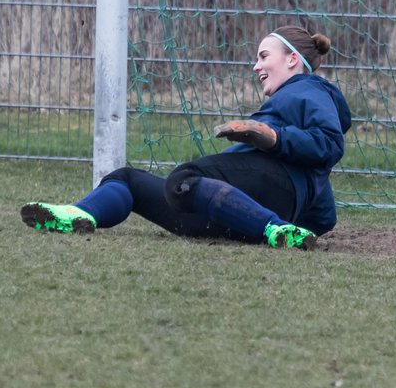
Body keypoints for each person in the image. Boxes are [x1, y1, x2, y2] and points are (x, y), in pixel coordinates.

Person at [21, 25, 351, 251]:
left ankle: (273, 229)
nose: (255, 66)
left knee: (183, 178)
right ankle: (80, 215)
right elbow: (324, 216)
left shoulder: (310, 88)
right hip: (244, 214)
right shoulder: (295, 99)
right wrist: (307, 213)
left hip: (270, 191)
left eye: (264, 56)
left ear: (293, 59)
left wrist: (273, 137)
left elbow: (330, 144)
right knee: (128, 179)